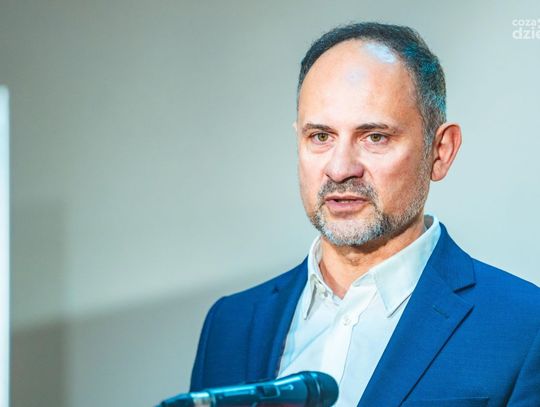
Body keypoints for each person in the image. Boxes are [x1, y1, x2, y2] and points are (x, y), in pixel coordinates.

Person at [189, 22, 540, 406]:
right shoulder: (231, 323)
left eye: (375, 137)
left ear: (440, 151)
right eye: (320, 136)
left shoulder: (524, 327)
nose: (340, 169)